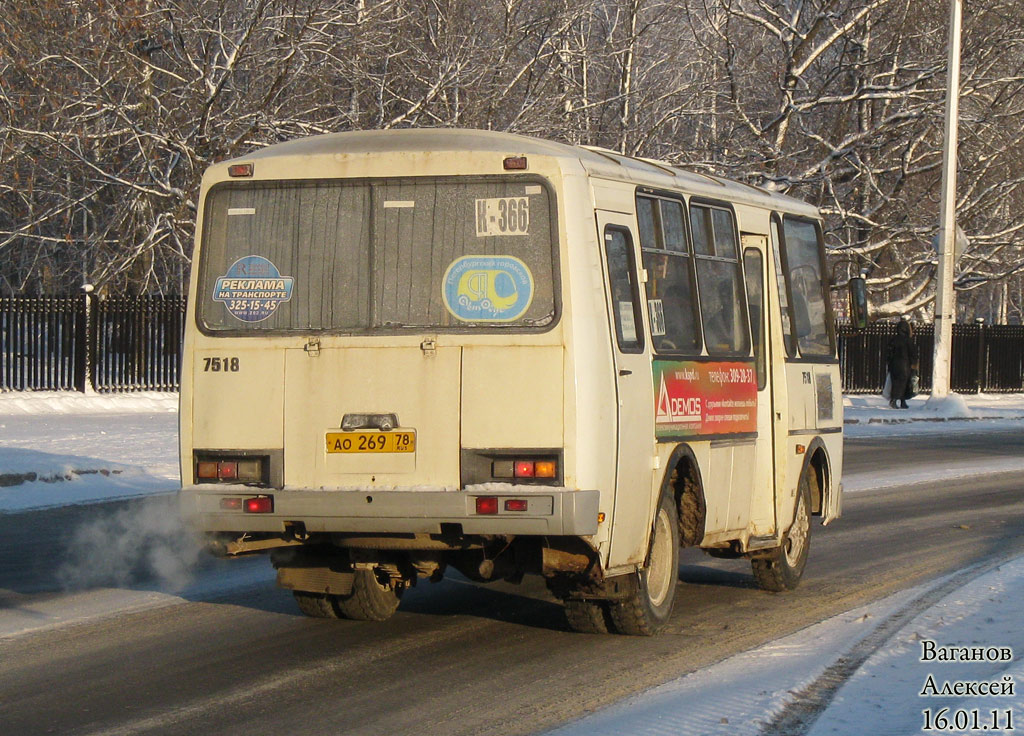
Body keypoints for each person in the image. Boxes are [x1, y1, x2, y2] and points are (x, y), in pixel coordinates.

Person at [887, 318, 919, 409]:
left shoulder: (893, 340)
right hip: (905, 365)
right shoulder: (908, 340)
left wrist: (889, 363)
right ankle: (896, 400)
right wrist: (914, 363)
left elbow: (889, 353)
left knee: (895, 382)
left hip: (894, 365)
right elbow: (912, 353)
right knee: (904, 383)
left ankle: (900, 401)